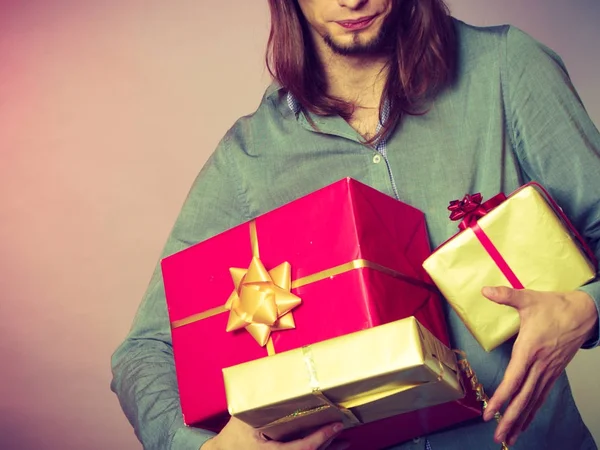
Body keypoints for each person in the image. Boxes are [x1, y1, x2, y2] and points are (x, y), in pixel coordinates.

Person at [110, 0, 600, 449]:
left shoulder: (504, 69)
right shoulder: (249, 158)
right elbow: (144, 351)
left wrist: (587, 309)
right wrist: (198, 448)